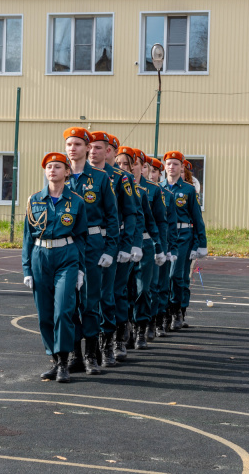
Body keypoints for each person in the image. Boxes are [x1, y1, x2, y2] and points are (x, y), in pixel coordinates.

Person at [22, 152, 88, 383]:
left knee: (63, 310)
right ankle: (53, 359)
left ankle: (63, 363)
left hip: (66, 256)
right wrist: (27, 269)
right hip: (40, 256)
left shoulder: (77, 201)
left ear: (67, 172)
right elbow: (27, 237)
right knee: (45, 314)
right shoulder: (34, 201)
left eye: (58, 166)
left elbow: (81, 237)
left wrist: (80, 269)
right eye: (49, 166)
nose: (52, 170)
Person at [63, 127, 119, 375]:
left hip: (94, 245)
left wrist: (110, 249)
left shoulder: (100, 178)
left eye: (77, 144)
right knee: (69, 302)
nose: (72, 149)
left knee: (90, 302)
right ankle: (74, 354)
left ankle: (91, 355)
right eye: (69, 145)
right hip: (66, 246)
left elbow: (113, 217)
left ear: (87, 148)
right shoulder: (59, 175)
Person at [92, 132, 141, 362]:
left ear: (109, 150)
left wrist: (127, 245)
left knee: (114, 293)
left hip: (116, 242)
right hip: (90, 242)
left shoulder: (121, 178)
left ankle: (115, 340)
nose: (93, 151)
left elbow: (131, 214)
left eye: (99, 148)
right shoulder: (81, 175)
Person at [116, 147, 166, 349]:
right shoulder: (115, 186)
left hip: (145, 243)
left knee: (143, 289)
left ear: (140, 166)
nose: (124, 167)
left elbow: (158, 221)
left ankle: (141, 328)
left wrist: (161, 247)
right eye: (119, 163)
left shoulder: (150, 190)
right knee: (123, 289)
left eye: (130, 164)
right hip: (122, 242)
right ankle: (124, 328)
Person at [161, 151, 207, 330]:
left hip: (183, 237)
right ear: (164, 166)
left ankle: (177, 311)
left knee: (176, 276)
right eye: (169, 164)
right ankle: (165, 313)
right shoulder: (159, 188)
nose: (171, 167)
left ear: (181, 168)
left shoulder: (188, 190)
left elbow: (197, 218)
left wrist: (200, 243)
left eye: (175, 164)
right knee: (164, 278)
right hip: (165, 237)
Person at [147, 157, 178, 336]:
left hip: (162, 243)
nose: (150, 174)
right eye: (147, 170)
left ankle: (159, 319)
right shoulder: (138, 190)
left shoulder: (167, 195)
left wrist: (171, 248)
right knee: (146, 287)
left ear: (160, 174)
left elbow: (170, 224)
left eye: (153, 171)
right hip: (145, 242)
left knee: (160, 284)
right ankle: (147, 321)